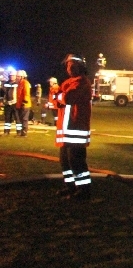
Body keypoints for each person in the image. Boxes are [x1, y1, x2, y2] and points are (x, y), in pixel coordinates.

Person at [55, 55, 93, 200]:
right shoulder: (68, 82)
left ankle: (84, 190)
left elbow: (68, 98)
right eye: (68, 66)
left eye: (72, 65)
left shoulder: (82, 82)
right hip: (65, 131)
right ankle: (70, 187)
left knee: (76, 161)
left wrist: (60, 96)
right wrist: (59, 96)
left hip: (76, 129)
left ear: (80, 67)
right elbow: (56, 99)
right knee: (64, 161)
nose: (69, 68)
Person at [14, 69, 32, 136]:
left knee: (24, 119)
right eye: (17, 76)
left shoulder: (25, 83)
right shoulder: (19, 83)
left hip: (24, 104)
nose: (17, 77)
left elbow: (26, 93)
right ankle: (22, 132)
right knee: (21, 119)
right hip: (20, 104)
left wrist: (24, 102)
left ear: (22, 77)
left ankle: (24, 133)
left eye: (18, 76)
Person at [3, 68, 18, 135]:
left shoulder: (18, 83)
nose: (11, 77)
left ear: (15, 76)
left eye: (13, 75)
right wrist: (3, 101)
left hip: (15, 103)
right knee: (7, 118)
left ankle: (19, 132)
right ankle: (6, 131)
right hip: (7, 103)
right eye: (10, 75)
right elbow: (3, 93)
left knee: (17, 118)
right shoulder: (5, 83)